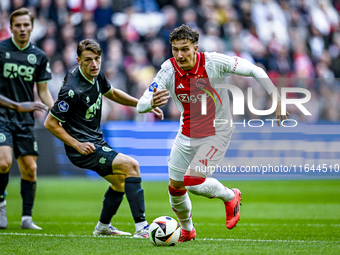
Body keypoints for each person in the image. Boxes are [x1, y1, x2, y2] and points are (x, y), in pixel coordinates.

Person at [137, 24, 289, 242]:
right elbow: (142, 104)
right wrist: (150, 102)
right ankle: (188, 230)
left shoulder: (214, 62)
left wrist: (275, 96)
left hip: (218, 130)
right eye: (175, 49)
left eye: (185, 49)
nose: (179, 55)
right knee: (175, 187)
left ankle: (230, 196)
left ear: (195, 48)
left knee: (192, 180)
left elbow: (255, 70)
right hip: (187, 132)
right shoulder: (168, 70)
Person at [44, 39, 163, 237]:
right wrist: (77, 144)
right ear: (78, 60)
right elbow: (50, 123)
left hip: (95, 140)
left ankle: (102, 227)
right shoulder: (71, 90)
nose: (94, 64)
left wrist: (144, 103)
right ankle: (142, 227)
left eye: (97, 59)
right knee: (131, 166)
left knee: (119, 182)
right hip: (82, 146)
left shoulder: (96, 75)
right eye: (89, 60)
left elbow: (113, 93)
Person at [0, 8, 54, 230]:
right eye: (18, 25)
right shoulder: (1, 50)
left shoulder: (39, 56)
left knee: (30, 168)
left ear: (32, 27)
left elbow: (43, 92)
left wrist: (58, 111)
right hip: (2, 115)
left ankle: (26, 218)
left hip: (25, 121)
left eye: (26, 25)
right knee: (3, 161)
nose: (22, 29)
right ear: (10, 27)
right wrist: (16, 105)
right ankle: (1, 203)